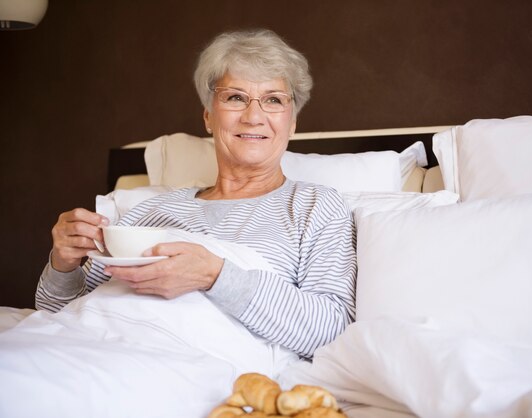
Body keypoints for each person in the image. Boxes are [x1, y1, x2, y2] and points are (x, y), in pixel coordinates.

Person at [35, 29, 356, 360]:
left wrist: (214, 275)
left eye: (274, 100)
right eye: (235, 97)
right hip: (90, 350)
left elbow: (332, 331)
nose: (254, 116)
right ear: (208, 116)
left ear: (292, 123)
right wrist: (63, 263)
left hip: (184, 366)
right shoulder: (148, 212)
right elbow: (58, 316)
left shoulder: (316, 206)